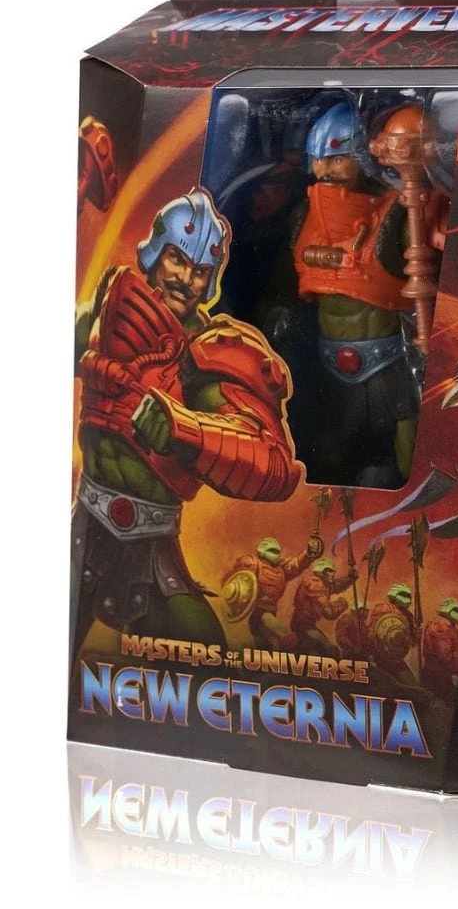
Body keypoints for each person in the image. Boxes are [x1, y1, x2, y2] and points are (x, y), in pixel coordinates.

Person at [71, 187, 302, 661]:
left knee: (202, 656)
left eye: (200, 271)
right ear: (156, 253)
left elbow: (271, 461)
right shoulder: (110, 303)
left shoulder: (209, 352)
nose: (185, 279)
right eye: (177, 260)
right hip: (83, 526)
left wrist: (184, 428)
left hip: (150, 548)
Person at [273, 100, 444, 487]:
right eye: (319, 159)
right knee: (326, 458)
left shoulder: (396, 212)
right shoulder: (302, 217)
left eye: (336, 158)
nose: (325, 170)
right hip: (328, 361)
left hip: (391, 361)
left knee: (410, 451)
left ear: (363, 156)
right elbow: (286, 283)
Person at [221, 535, 321, 648]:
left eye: (278, 552)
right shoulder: (252, 564)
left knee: (264, 643)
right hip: (256, 611)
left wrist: (308, 553)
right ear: (263, 551)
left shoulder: (281, 569)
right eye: (273, 551)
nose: (276, 554)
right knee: (282, 634)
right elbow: (235, 580)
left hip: (271, 610)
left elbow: (296, 565)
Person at [286, 557, 356, 654]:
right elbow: (329, 613)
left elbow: (337, 585)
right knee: (329, 650)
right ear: (321, 572)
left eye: (333, 571)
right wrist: (342, 603)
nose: (332, 574)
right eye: (329, 571)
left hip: (307, 624)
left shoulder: (324, 583)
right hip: (303, 625)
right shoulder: (315, 584)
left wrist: (350, 578)